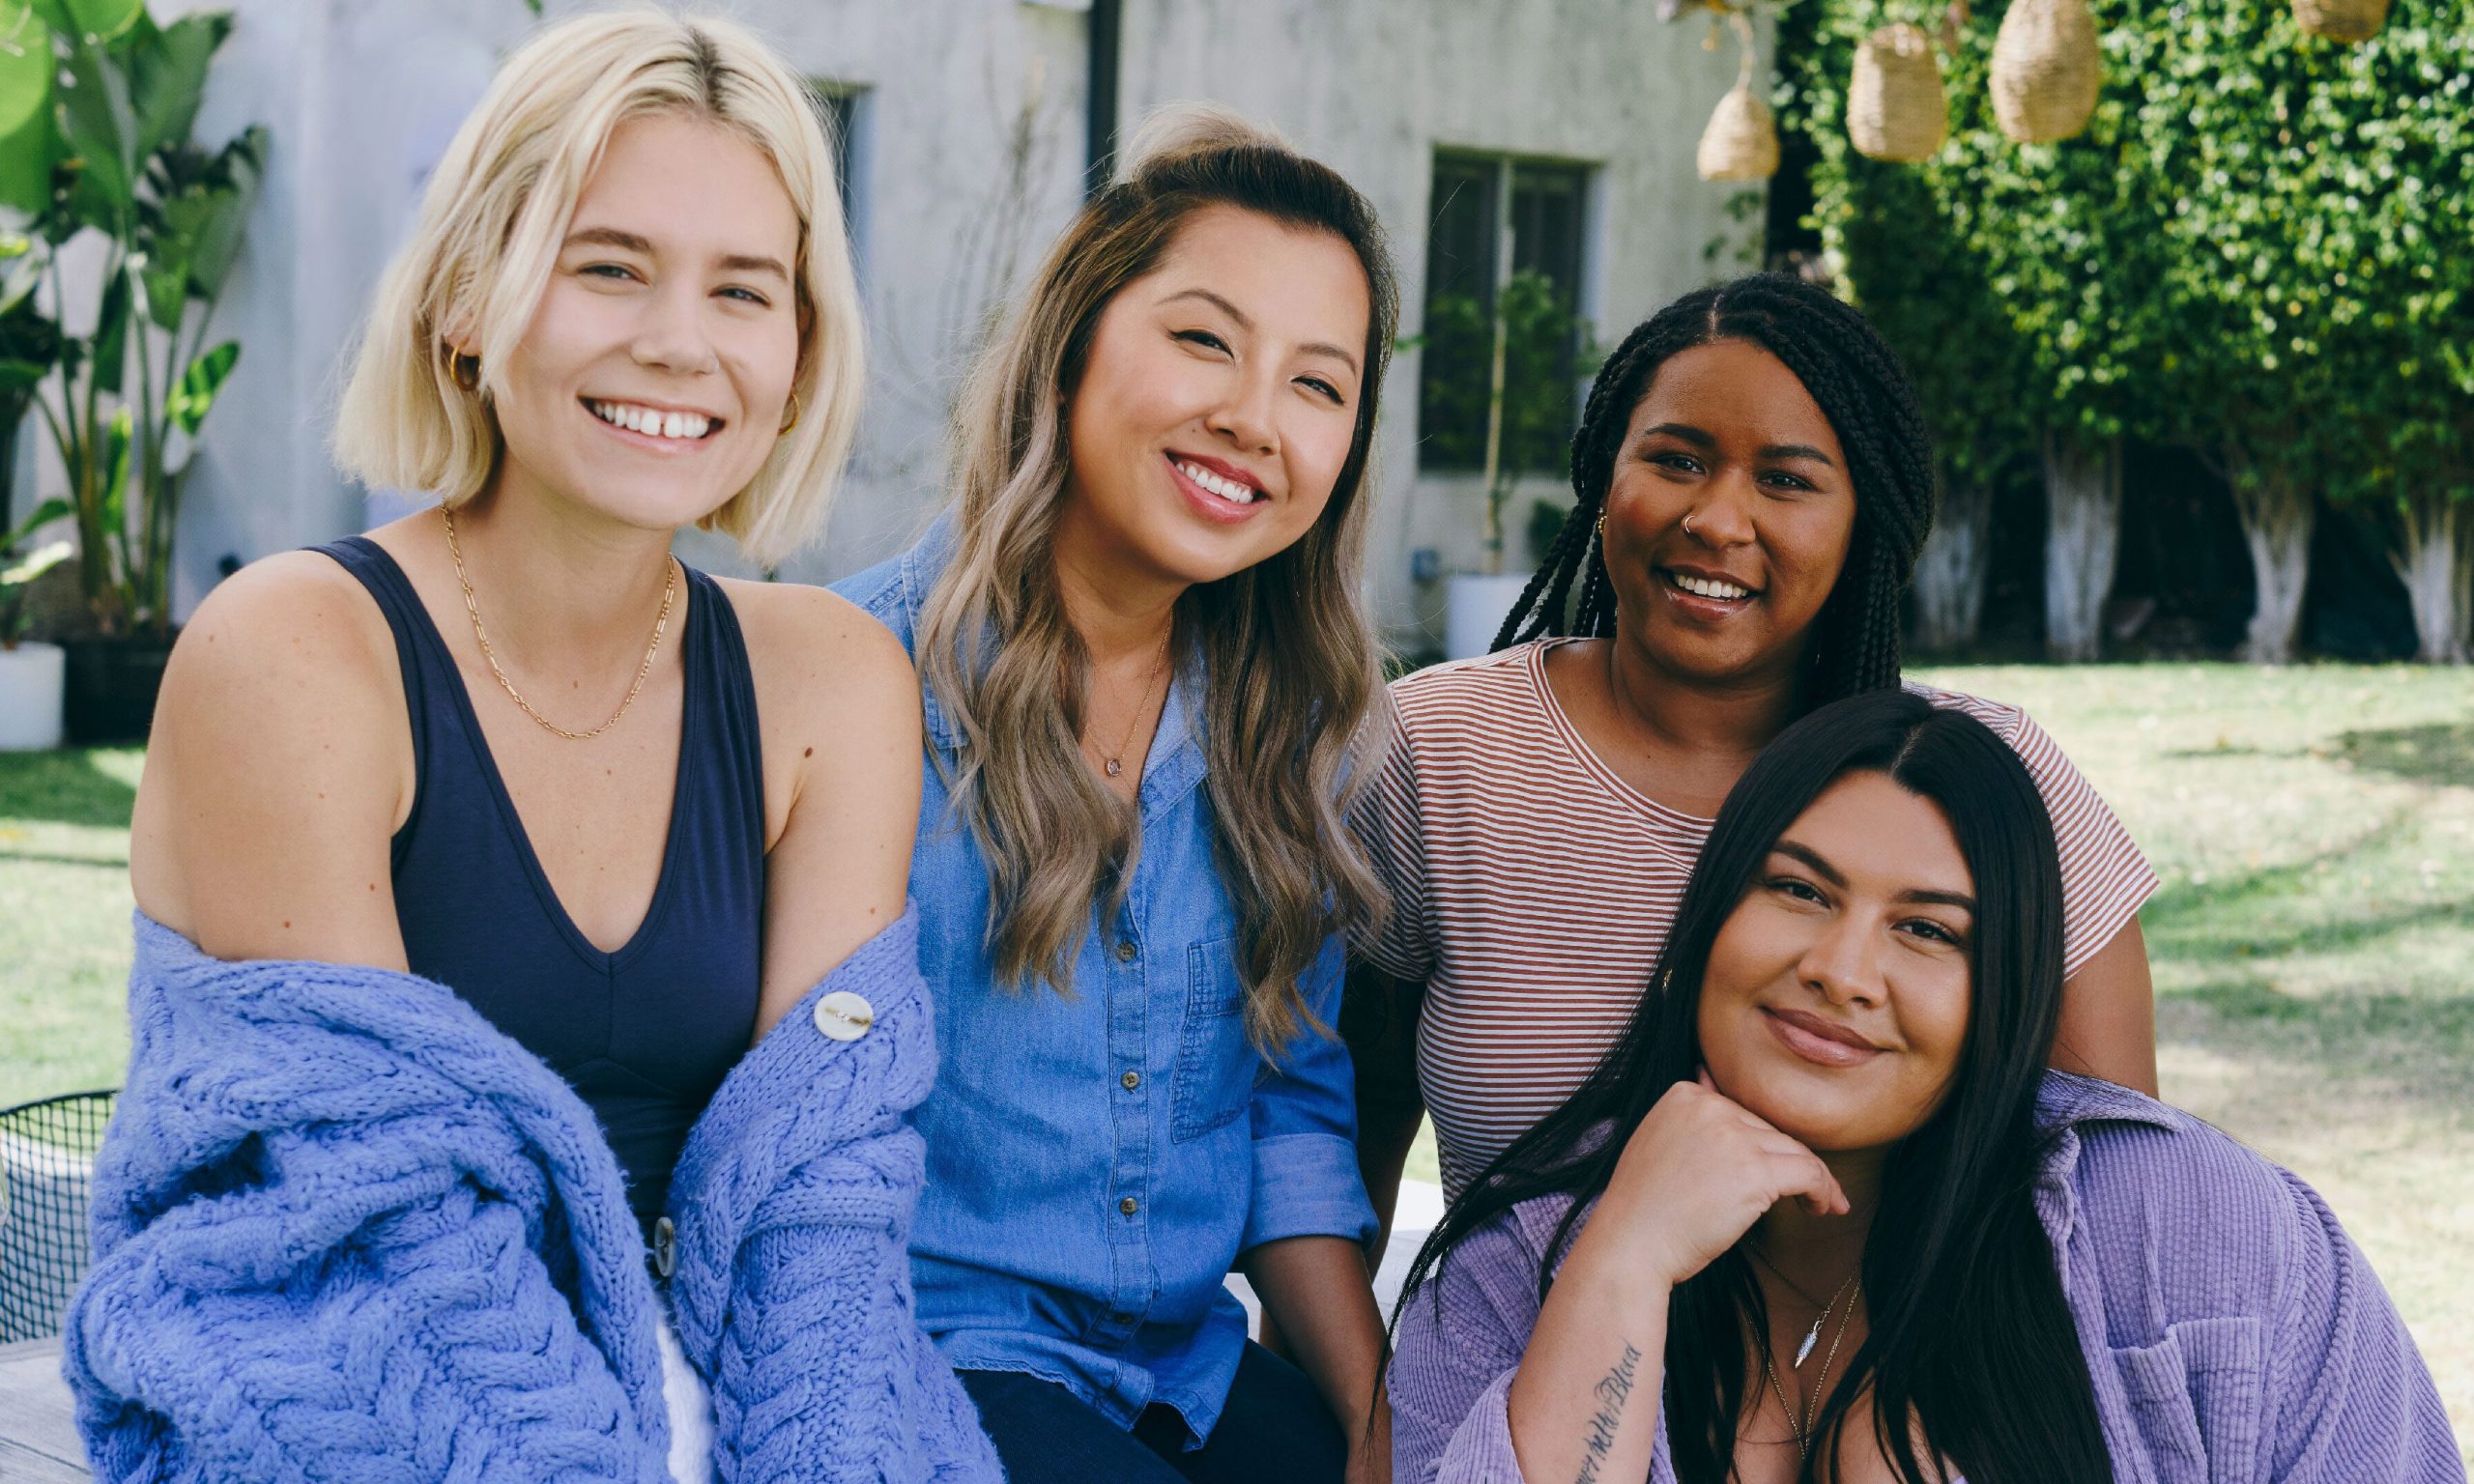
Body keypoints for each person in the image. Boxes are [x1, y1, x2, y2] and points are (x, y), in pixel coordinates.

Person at [72, 14, 995, 1480]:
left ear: (799, 351)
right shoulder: (296, 653)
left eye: (745, 290)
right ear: (465, 299)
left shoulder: (830, 679)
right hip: (341, 1395)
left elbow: (824, 1208)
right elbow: (380, 1234)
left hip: (709, 1400)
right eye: (607, 264)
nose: (678, 342)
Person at [1388, 689, 2462, 1483]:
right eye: (1799, 891)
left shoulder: (2200, 1233)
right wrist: (1622, 1266)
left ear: (2002, 1000)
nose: (1842, 972)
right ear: (1700, 929)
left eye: (1925, 931)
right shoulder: (1518, 1265)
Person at [835, 106, 1397, 1483]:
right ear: (1076, 342)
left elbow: (1288, 1122)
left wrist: (1387, 1432)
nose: (1252, 418)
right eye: (1205, 339)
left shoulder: (1291, 734)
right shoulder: (852, 687)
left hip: (1184, 1365)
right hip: (930, 1357)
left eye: (1319, 386)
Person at [1347, 273, 2161, 1222]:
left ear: (1865, 522)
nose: (1717, 519)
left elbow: (2122, 1187)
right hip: (1508, 1367)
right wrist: (1353, 1377)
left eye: (1784, 480)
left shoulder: (1986, 780)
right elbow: (1341, 1134)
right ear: (1603, 478)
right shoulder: (1436, 755)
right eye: (1677, 459)